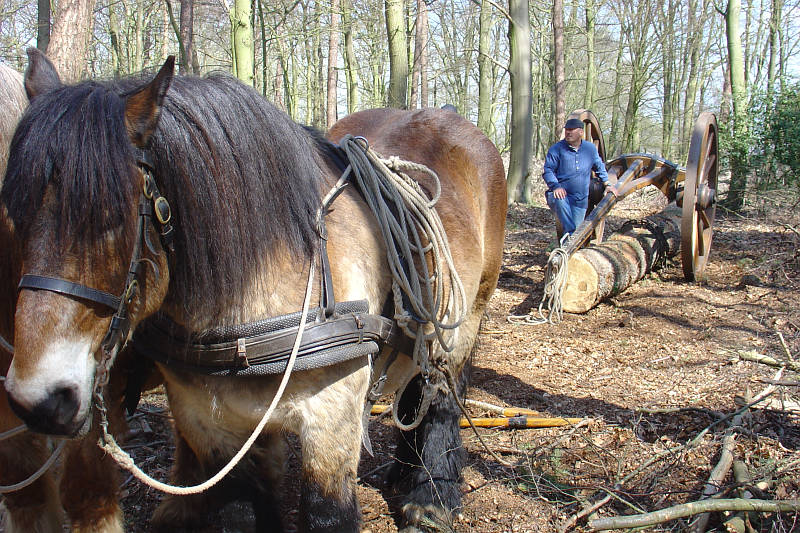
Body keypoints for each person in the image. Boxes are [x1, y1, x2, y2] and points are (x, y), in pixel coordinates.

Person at [542, 117, 616, 239]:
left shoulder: (590, 149)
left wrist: (607, 184)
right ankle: (570, 236)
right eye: (567, 130)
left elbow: (599, 167)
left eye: (572, 130)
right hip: (559, 195)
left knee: (574, 234)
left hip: (580, 199)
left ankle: (569, 252)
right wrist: (556, 186)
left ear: (581, 132)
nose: (568, 133)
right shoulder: (556, 149)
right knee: (562, 204)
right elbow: (548, 170)